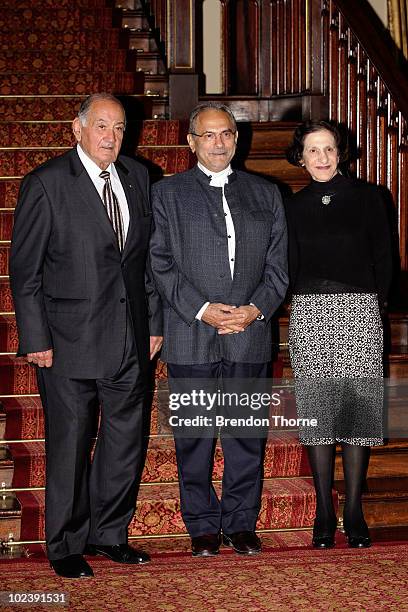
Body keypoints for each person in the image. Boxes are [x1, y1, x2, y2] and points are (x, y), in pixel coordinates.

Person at [10, 93, 163, 578]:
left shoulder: (139, 177)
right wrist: (36, 338)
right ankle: (66, 544)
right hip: (67, 342)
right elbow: (25, 271)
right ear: (77, 130)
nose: (111, 137)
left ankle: (109, 534)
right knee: (70, 444)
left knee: (125, 441)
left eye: (119, 128)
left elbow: (145, 263)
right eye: (101, 126)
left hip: (130, 337)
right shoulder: (47, 184)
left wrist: (154, 323)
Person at [149, 102, 288, 557]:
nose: (218, 143)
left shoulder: (266, 194)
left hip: (250, 331)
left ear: (236, 139)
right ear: (190, 142)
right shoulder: (166, 194)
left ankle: (241, 523)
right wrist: (204, 309)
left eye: (226, 133)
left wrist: (255, 310)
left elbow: (278, 268)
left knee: (246, 433)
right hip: (191, 333)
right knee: (195, 435)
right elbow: (160, 263)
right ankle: (203, 524)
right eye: (207, 135)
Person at [285, 120, 392, 549]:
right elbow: (287, 263)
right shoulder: (291, 205)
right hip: (310, 313)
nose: (322, 158)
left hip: (359, 312)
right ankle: (324, 511)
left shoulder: (370, 198)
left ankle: (353, 510)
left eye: (328, 149)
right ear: (301, 157)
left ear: (340, 152)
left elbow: (385, 257)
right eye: (313, 150)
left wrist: (373, 309)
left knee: (357, 416)